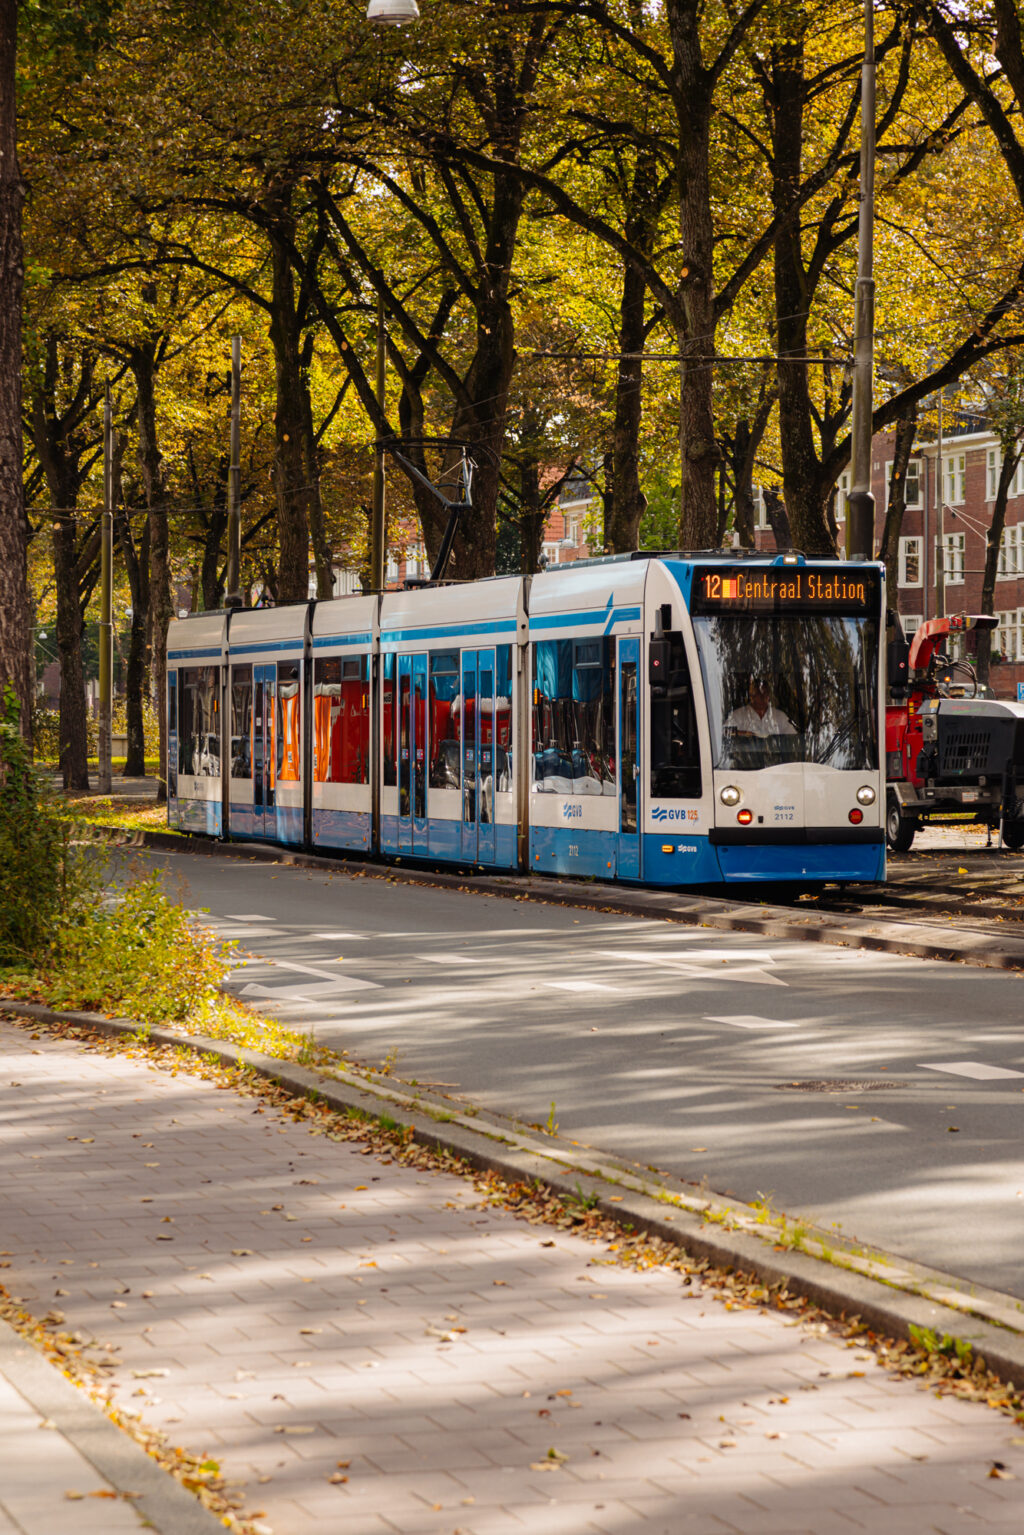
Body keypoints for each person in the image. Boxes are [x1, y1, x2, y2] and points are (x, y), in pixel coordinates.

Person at [725, 676, 796, 738]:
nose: (763, 697)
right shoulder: (738, 715)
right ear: (752, 696)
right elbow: (724, 732)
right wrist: (744, 734)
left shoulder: (779, 716)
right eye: (759, 693)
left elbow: (793, 736)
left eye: (765, 693)